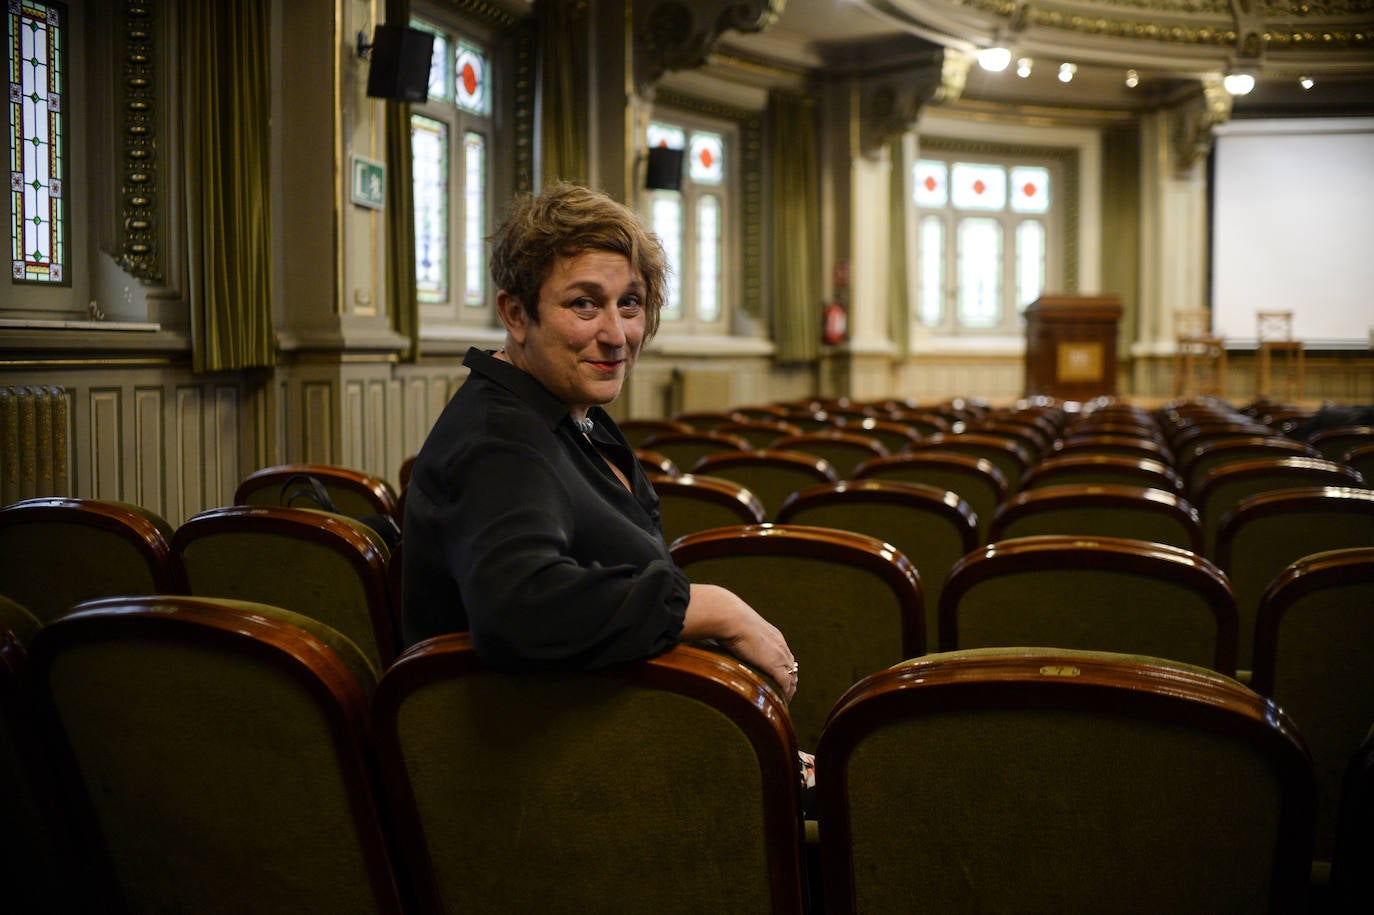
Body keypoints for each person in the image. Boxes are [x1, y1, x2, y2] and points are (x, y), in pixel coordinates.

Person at [401, 181, 799, 699]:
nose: (616, 335)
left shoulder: (564, 408)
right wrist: (715, 609)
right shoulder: (498, 440)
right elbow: (520, 609)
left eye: (629, 304)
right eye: (585, 304)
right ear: (516, 314)